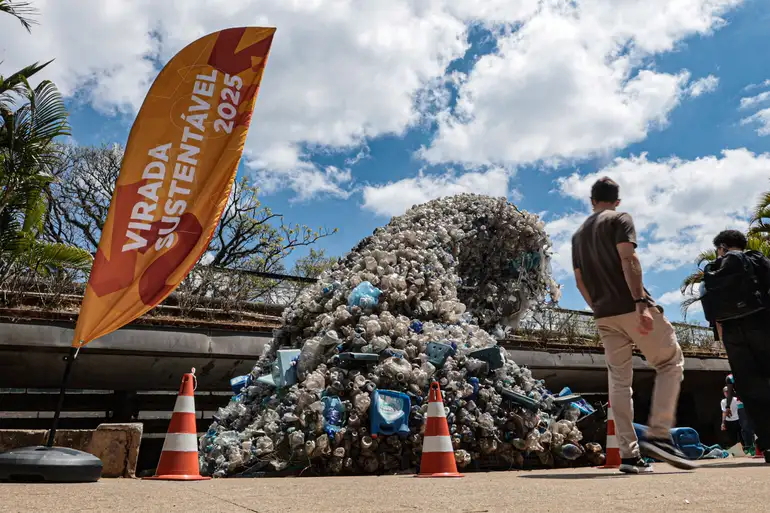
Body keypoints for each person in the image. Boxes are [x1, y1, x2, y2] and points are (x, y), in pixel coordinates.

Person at [571, 177, 695, 474]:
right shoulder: (619, 219)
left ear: (592, 201)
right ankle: (660, 435)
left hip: (603, 315)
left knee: (619, 382)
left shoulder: (578, 235)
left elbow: (579, 280)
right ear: (617, 200)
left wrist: (598, 308)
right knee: (670, 362)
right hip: (631, 306)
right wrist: (639, 301)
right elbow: (629, 259)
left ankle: (629, 455)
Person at [701, 230, 770, 462]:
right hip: (762, 324)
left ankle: (768, 444)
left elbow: (712, 311)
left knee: (751, 389)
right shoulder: (757, 260)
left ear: (722, 247)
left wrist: (723, 339)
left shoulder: (714, 271)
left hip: (732, 333)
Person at [725, 373, 756, 454]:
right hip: (742, 404)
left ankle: (759, 446)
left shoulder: (751, 373)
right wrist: (727, 406)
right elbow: (730, 393)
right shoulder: (730, 378)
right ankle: (750, 447)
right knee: (746, 427)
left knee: (756, 425)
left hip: (755, 403)